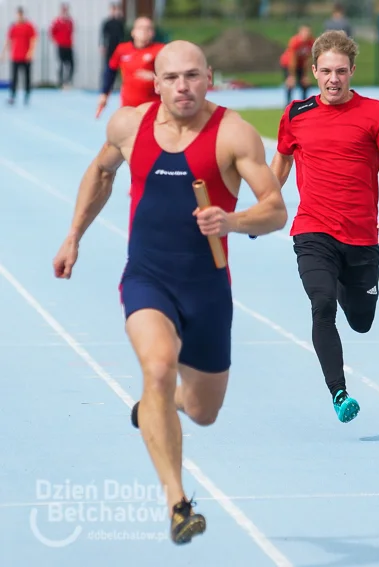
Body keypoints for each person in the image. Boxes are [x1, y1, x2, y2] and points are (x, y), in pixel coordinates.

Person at [52, 40, 288, 544]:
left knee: (203, 411)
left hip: (207, 289)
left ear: (209, 78)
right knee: (156, 366)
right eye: (172, 78)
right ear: (155, 83)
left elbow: (275, 209)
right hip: (148, 277)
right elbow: (100, 173)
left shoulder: (233, 134)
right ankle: (178, 502)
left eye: (193, 76)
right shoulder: (129, 126)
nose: (183, 87)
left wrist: (232, 219)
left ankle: (163, 406)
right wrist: (74, 234)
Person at [270, 30, 379, 423]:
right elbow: (282, 159)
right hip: (313, 229)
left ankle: (340, 280)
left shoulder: (377, 113)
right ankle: (339, 393)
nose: (333, 79)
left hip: (361, 237)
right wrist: (268, 197)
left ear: (352, 72)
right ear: (313, 71)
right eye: (326, 71)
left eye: (341, 71)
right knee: (321, 306)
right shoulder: (296, 114)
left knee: (362, 322)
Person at [97, 16, 164, 118]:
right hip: (129, 107)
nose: (144, 31)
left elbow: (172, 74)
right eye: (141, 28)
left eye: (148, 28)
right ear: (133, 32)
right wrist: (104, 94)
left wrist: (155, 77)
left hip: (153, 107)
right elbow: (111, 71)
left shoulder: (160, 50)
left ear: (153, 33)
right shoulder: (122, 49)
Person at [1, 6, 37, 106]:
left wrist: (31, 52)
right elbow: (8, 40)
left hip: (26, 57)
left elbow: (33, 39)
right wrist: (3, 53)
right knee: (14, 77)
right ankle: (13, 95)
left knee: (26, 77)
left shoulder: (29, 26)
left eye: (21, 14)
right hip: (15, 56)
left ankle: (27, 94)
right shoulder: (13, 26)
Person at [280, 25, 314, 105]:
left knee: (305, 84)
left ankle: (304, 104)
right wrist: (291, 76)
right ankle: (288, 105)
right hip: (288, 64)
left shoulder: (311, 42)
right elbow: (292, 60)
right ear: (300, 33)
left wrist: (305, 75)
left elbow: (308, 59)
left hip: (301, 65)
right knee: (290, 84)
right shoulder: (295, 41)